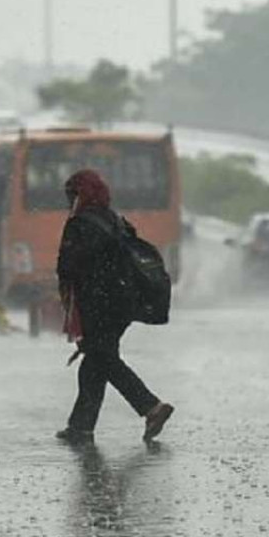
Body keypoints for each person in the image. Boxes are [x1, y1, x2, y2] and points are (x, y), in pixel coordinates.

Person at [54, 169, 174, 444]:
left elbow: (68, 266)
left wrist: (65, 296)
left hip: (97, 304)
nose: (68, 201)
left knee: (103, 359)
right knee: (95, 361)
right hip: (123, 304)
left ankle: (151, 407)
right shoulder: (115, 220)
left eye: (70, 195)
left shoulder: (80, 224)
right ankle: (80, 427)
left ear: (78, 195)